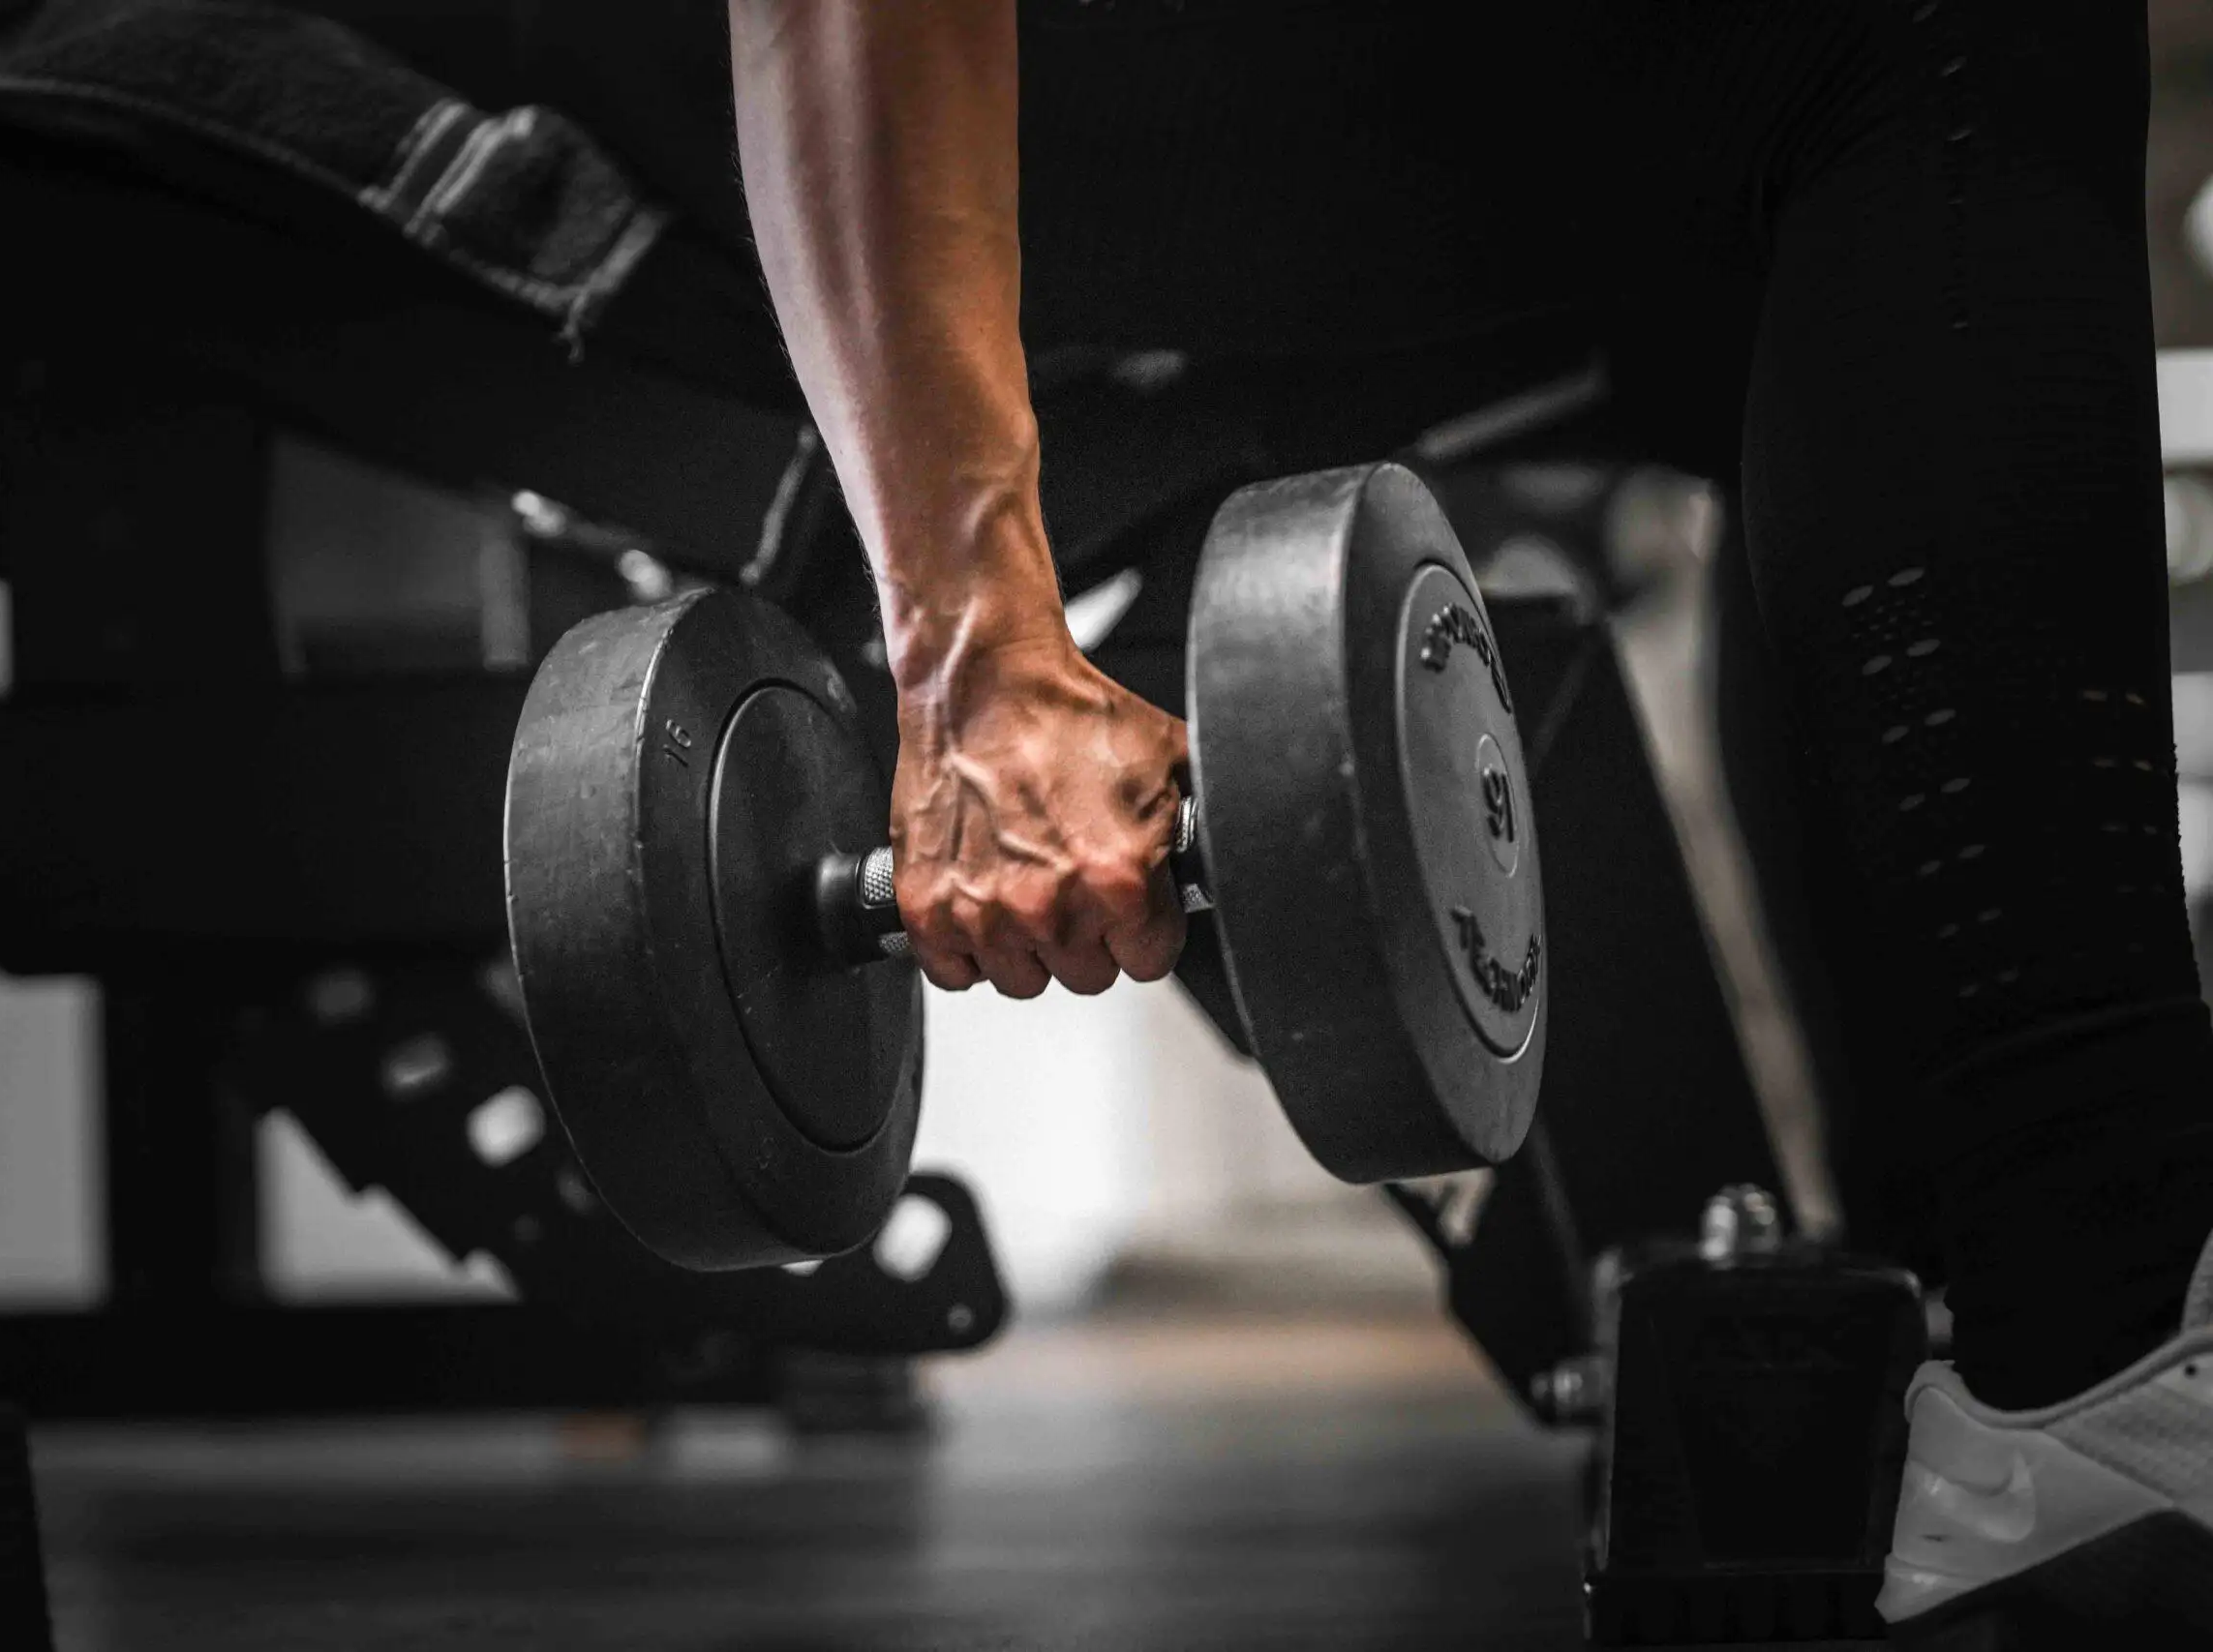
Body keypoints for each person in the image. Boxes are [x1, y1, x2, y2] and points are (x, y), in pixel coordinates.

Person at [325, 0, 2213, 1637]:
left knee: (1862, 272)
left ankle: (1945, 1339)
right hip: (598, 71)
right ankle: (2097, 1321)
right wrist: (975, 651)